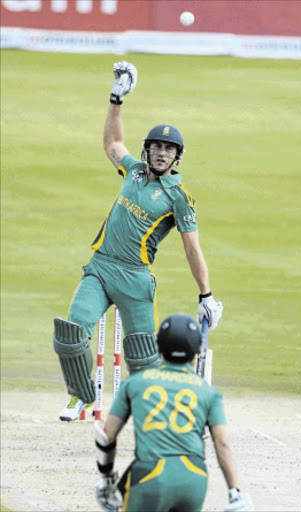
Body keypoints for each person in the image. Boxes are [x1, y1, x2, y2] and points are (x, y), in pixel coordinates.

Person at [53, 61, 223, 422]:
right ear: (147, 150)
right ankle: (82, 395)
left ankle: (164, 417)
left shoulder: (179, 197)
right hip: (99, 268)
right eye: (156, 146)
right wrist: (117, 98)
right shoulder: (131, 171)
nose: (162, 152)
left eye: (169, 148)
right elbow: (112, 142)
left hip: (135, 278)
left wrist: (206, 295)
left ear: (178, 156)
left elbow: (192, 248)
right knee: (70, 334)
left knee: (143, 361)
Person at [94, 313, 253, 512]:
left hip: (150, 476)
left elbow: (106, 435)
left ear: (159, 345)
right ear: (197, 349)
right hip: (195, 478)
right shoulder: (209, 393)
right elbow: (223, 443)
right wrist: (234, 493)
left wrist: (107, 479)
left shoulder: (135, 383)